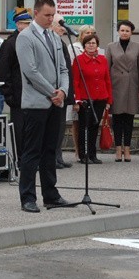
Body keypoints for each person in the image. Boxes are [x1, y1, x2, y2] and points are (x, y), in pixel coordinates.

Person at [15, 0, 69, 213]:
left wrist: (63, 91)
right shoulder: (25, 37)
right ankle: (28, 197)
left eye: (52, 15)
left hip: (55, 102)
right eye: (47, 15)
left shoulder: (55, 37)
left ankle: (51, 194)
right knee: (32, 152)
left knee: (50, 151)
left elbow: (64, 68)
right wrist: (51, 91)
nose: (50, 19)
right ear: (35, 13)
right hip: (36, 103)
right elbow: (30, 71)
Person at [105, 20, 139, 162]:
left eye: (127, 30)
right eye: (122, 30)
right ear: (118, 31)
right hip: (116, 86)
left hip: (132, 85)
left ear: (131, 32)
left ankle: (127, 148)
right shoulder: (110, 47)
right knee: (117, 119)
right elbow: (107, 69)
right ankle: (117, 149)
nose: (124, 33)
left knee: (129, 119)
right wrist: (107, 90)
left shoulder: (137, 47)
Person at [0, 8, 32, 163]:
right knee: (19, 130)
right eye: (25, 24)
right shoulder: (10, 43)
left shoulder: (32, 41)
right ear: (18, 24)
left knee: (31, 130)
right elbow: (3, 71)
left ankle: (30, 159)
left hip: (32, 95)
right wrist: (8, 94)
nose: (28, 26)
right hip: (17, 95)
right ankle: (20, 160)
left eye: (29, 24)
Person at [72, 33, 113, 164]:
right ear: (84, 45)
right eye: (88, 43)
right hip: (85, 98)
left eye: (93, 43)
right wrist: (77, 100)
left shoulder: (103, 59)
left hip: (100, 97)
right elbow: (75, 82)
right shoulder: (78, 60)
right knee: (84, 126)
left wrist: (109, 100)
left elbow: (107, 80)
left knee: (95, 126)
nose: (91, 45)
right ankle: (83, 155)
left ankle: (92, 154)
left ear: (97, 45)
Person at [67, 25, 96, 161]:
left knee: (89, 123)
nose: (89, 34)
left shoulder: (96, 47)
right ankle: (78, 151)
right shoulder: (74, 47)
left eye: (91, 33)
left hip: (91, 88)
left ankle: (89, 151)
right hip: (78, 88)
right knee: (77, 121)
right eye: (86, 33)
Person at [51, 13, 74, 169]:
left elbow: (67, 69)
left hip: (64, 90)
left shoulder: (62, 43)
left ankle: (58, 156)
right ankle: (52, 157)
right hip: (54, 91)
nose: (62, 28)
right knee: (53, 128)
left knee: (60, 126)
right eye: (59, 25)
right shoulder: (51, 42)